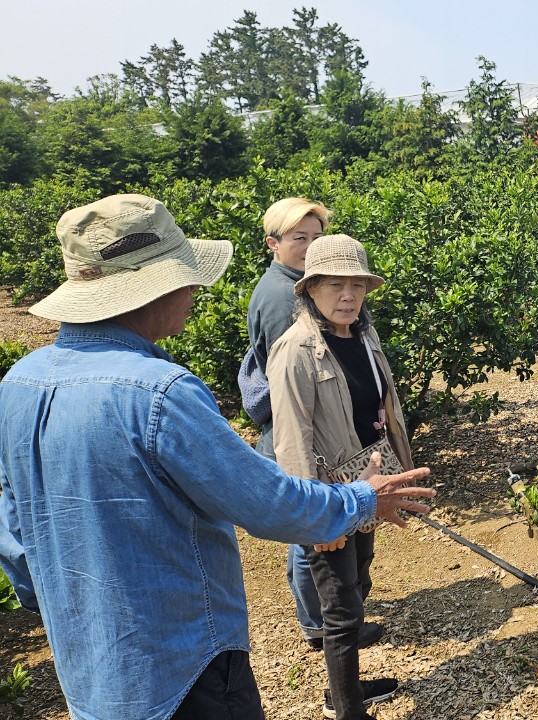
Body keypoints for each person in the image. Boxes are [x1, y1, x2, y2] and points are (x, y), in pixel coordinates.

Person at [0, 194, 435, 720]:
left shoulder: (19, 382)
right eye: (184, 276)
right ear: (151, 289)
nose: (194, 289)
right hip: (186, 662)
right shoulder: (161, 393)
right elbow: (267, 502)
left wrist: (59, 594)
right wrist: (362, 499)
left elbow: (13, 524)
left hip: (90, 665)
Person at [268, 234, 413, 720]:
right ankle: (347, 709)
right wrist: (315, 520)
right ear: (310, 289)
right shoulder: (295, 351)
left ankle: (344, 687)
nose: (348, 295)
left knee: (359, 583)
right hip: (331, 496)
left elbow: (383, 410)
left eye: (357, 285)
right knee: (340, 609)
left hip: (370, 483)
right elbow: (293, 442)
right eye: (335, 285)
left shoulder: (362, 336)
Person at [244, 197, 384, 654]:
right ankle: (322, 627)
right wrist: (315, 516)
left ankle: (330, 622)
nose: (308, 246)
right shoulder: (291, 305)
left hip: (334, 448)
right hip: (311, 446)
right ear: (274, 244)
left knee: (339, 548)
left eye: (316, 237)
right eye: (298, 238)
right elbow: (300, 403)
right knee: (319, 546)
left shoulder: (331, 310)